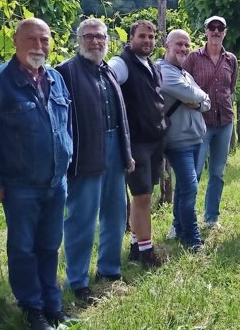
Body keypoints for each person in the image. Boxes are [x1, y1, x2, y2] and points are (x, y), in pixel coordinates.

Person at [0, 18, 73, 330]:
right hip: (19, 184)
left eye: (44, 40)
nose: (38, 46)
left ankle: (53, 304)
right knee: (23, 248)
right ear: (16, 42)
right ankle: (32, 309)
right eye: (31, 39)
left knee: (50, 245)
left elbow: (64, 126)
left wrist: (66, 159)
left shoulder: (56, 79)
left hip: (55, 181)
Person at [56, 19, 134, 306]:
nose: (95, 42)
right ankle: (78, 281)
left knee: (116, 211)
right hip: (86, 151)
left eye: (100, 37)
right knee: (81, 217)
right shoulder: (66, 72)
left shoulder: (107, 71)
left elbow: (120, 115)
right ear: (79, 40)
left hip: (114, 147)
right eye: (88, 37)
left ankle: (109, 270)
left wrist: (127, 153)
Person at [110, 19, 166, 266]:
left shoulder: (151, 64)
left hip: (154, 140)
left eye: (151, 37)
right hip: (137, 141)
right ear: (131, 39)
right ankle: (147, 253)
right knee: (142, 196)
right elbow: (107, 75)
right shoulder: (122, 63)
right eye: (142, 36)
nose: (147, 41)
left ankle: (135, 244)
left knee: (142, 195)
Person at [183, 15, 238, 228]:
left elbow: (230, 89)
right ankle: (183, 220)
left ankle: (211, 218)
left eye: (220, 28)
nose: (216, 31)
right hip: (200, 122)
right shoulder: (193, 58)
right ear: (205, 31)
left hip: (224, 121)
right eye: (212, 28)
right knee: (194, 172)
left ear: (225, 32)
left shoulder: (231, 59)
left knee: (217, 172)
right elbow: (184, 84)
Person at [158, 29, 211, 250]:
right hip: (178, 141)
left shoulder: (185, 74)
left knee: (183, 188)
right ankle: (193, 239)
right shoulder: (163, 71)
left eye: (187, 45)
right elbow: (193, 94)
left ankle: (179, 229)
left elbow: (205, 102)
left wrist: (198, 101)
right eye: (179, 44)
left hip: (196, 137)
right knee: (190, 188)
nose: (183, 49)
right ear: (167, 46)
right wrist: (199, 98)